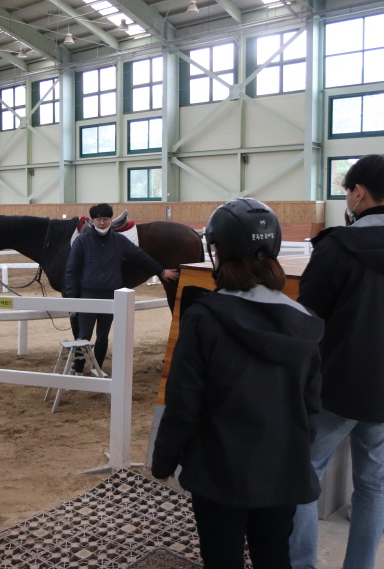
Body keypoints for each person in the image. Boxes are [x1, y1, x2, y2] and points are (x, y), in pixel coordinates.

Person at [152, 198, 323, 569]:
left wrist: (164, 459)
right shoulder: (305, 321)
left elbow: (184, 402)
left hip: (219, 469)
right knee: (274, 554)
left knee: (221, 557)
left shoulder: (204, 319)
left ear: (219, 252)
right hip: (282, 468)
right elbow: (310, 405)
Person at [289, 155, 384, 569]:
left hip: (339, 382)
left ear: (358, 192)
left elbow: (309, 317)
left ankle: (301, 563)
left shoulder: (337, 246)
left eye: (346, 192)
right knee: (373, 484)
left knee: (306, 472)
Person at [65, 203, 177, 375]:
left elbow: (141, 257)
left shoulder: (120, 241)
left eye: (105, 219)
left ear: (111, 219)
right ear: (92, 220)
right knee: (84, 335)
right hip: (88, 294)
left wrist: (161, 271)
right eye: (99, 219)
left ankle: (97, 368)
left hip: (111, 295)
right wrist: (71, 300)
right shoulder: (82, 241)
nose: (102, 223)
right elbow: (71, 271)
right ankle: (78, 368)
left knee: (103, 337)